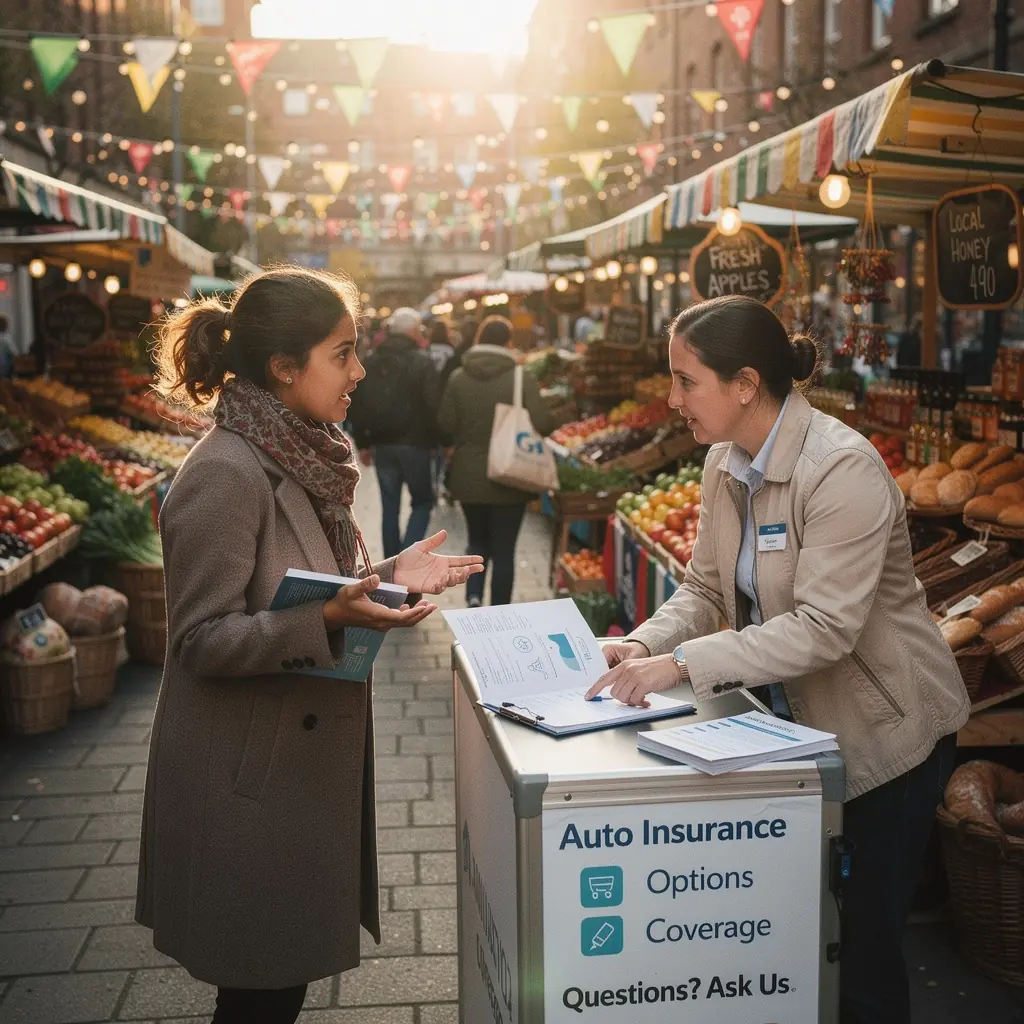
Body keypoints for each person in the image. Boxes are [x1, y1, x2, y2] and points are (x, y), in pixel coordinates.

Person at [584, 294, 970, 1024]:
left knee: (860, 955)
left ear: (745, 384)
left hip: (888, 737)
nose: (671, 400)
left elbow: (825, 628)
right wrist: (643, 642)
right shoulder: (724, 463)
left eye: (684, 381)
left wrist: (683, 665)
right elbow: (702, 587)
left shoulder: (841, 469)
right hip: (800, 731)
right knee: (795, 940)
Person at [138, 268, 482, 1024]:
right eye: (343, 353)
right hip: (248, 777)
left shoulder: (303, 451)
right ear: (283, 368)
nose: (360, 371)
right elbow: (197, 641)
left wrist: (389, 575)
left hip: (289, 768)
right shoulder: (227, 472)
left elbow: (314, 585)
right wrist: (328, 617)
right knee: (259, 994)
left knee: (274, 987)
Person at [438, 315, 555, 606]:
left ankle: (474, 596)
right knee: (504, 549)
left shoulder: (458, 377)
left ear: (478, 339)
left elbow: (444, 424)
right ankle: (499, 609)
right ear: (508, 342)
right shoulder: (520, 377)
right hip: (510, 475)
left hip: (467, 476)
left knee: (476, 541)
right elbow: (543, 421)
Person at [347, 307, 441, 560]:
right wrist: (439, 442)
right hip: (416, 445)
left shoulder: (371, 361)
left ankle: (391, 562)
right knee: (422, 502)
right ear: (412, 331)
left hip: (382, 445)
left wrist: (364, 442)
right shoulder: (422, 361)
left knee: (390, 507)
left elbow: (358, 403)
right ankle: (407, 558)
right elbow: (433, 406)